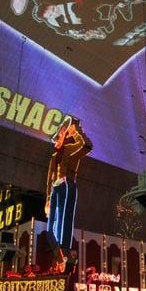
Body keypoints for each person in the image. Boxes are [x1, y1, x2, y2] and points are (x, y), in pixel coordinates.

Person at [45, 116, 93, 273]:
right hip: (55, 189)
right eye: (58, 136)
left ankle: (63, 257)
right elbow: (48, 180)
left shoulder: (70, 149)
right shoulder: (53, 158)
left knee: (65, 223)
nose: (59, 138)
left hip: (68, 184)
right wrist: (47, 199)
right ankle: (59, 257)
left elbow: (87, 146)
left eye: (61, 135)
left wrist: (77, 131)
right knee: (50, 229)